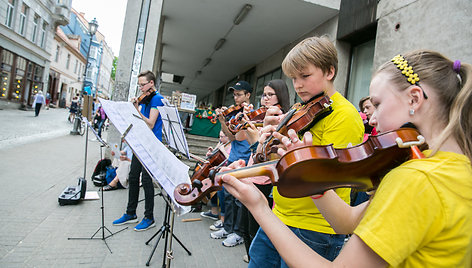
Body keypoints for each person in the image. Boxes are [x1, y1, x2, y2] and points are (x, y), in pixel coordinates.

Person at [221, 50, 472, 267]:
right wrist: (308, 176)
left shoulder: (417, 179)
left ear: (414, 99)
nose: (372, 119)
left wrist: (259, 207)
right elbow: (348, 221)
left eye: (378, 103)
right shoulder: (452, 167)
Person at [247, 36, 365, 266]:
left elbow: (332, 178)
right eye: (293, 78)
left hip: (314, 229)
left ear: (329, 72)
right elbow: (272, 165)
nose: (297, 85)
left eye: (305, 76)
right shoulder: (298, 109)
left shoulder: (344, 115)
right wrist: (265, 140)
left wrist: (291, 154)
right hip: (278, 217)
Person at [239, 79, 291, 263]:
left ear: (280, 96)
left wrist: (257, 142)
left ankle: (256, 257)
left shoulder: (281, 118)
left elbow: (268, 158)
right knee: (245, 227)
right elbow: (243, 139)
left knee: (256, 228)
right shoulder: (262, 117)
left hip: (265, 181)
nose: (265, 98)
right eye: (264, 94)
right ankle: (252, 255)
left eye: (270, 94)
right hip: (252, 175)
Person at [113, 70, 165, 231]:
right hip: (140, 143)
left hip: (151, 144)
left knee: (147, 180)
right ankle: (130, 213)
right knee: (133, 176)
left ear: (151, 83)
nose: (140, 88)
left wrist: (136, 109)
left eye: (143, 85)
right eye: (139, 85)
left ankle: (149, 217)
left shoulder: (157, 99)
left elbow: (150, 123)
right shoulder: (145, 99)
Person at [210, 81, 253, 247]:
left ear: (248, 95)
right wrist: (222, 121)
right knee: (227, 196)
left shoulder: (251, 113)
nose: (235, 98)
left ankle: (238, 233)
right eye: (234, 95)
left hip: (244, 159)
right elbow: (231, 136)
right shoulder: (235, 113)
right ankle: (227, 228)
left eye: (239, 94)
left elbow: (238, 137)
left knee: (238, 200)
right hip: (233, 157)